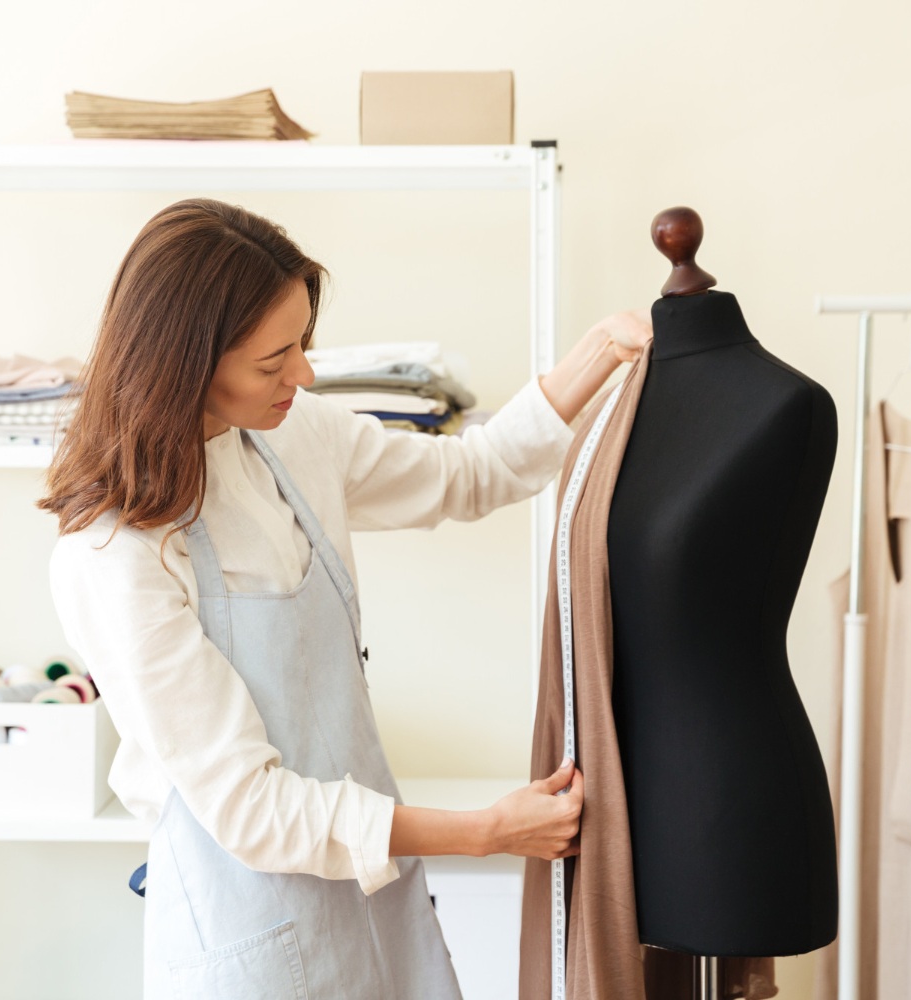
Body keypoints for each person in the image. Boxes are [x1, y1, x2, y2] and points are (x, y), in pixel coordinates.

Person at [38, 197, 650, 1000]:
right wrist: (485, 833)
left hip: (374, 897)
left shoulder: (296, 433)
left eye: (304, 345)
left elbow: (469, 476)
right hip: (247, 928)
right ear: (184, 363)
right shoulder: (113, 552)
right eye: (273, 361)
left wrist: (601, 352)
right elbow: (252, 807)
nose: (304, 375)